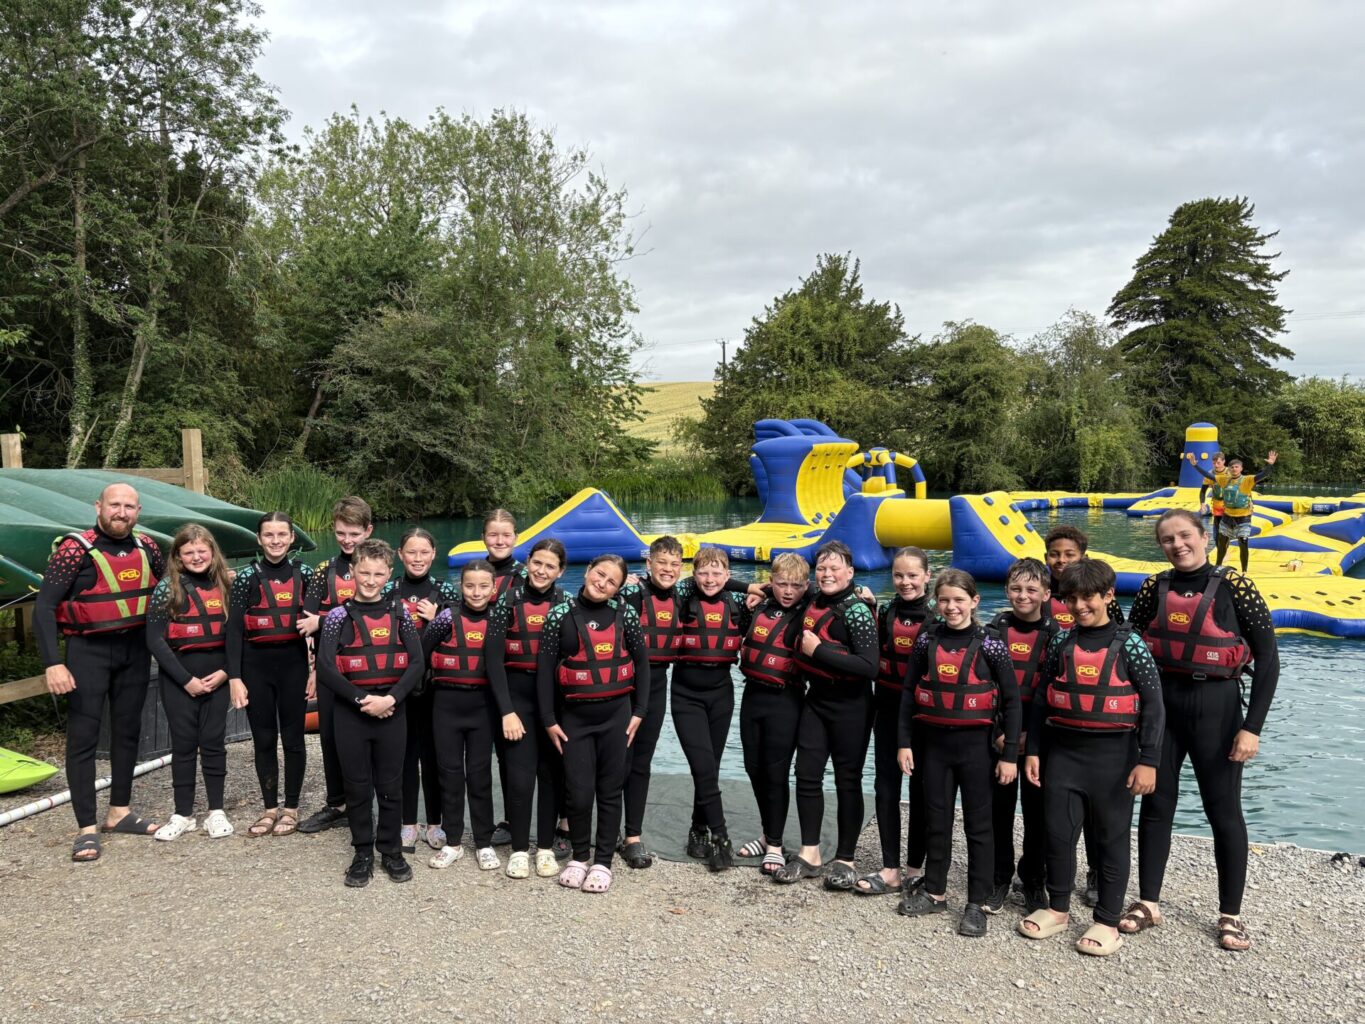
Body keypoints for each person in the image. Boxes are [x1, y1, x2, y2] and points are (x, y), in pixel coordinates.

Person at [1123, 509, 1279, 951]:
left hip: (1218, 709)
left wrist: (1252, 728)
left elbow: (1268, 659)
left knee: (1223, 811)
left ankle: (1230, 914)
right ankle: (1148, 902)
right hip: (1163, 710)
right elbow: (1130, 647)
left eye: (1185, 535)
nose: (1178, 545)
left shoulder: (1236, 586)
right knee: (1156, 805)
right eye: (1168, 539)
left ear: (1204, 536)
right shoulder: (1154, 587)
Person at [1019, 559, 1164, 956]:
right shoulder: (1062, 642)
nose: (1079, 606)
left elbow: (1154, 705)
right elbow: (1041, 699)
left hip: (1114, 758)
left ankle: (1107, 920)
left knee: (1110, 838)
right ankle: (1058, 908)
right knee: (1058, 833)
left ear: (1108, 595)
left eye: (1088, 598)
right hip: (1063, 754)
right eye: (1071, 599)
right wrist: (1034, 750)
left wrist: (1149, 760)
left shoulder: (1130, 644)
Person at [36, 482, 166, 861]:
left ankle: (119, 812)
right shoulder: (74, 549)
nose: (121, 512)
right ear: (98, 507)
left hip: (134, 651)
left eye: (128, 506)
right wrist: (53, 663)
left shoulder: (149, 547)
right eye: (114, 505)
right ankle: (87, 829)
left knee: (127, 732)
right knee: (83, 738)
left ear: (138, 511)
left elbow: (169, 592)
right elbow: (44, 608)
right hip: (87, 653)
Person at [896, 569, 1020, 937]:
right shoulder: (927, 640)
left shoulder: (991, 644)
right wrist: (904, 742)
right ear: (936, 602)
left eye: (959, 600)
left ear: (974, 601)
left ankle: (976, 903)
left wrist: (1010, 755)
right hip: (934, 747)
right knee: (936, 821)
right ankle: (935, 892)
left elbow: (1012, 702)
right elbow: (908, 692)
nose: (951, 607)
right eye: (945, 600)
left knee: (979, 827)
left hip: (977, 749)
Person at [537, 554, 651, 893]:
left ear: (618, 588)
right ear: (588, 571)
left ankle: (603, 862)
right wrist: (548, 719)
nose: (602, 583)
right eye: (599, 574)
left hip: (617, 717)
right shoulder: (559, 614)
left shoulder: (625, 614)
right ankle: (580, 856)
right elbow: (544, 672)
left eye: (612, 581)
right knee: (579, 791)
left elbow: (642, 665)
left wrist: (640, 711)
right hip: (574, 719)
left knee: (610, 790)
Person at [315, 539, 425, 886]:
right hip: (352, 713)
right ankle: (362, 851)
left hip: (393, 712)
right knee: (357, 786)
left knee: (391, 786)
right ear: (353, 572)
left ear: (389, 574)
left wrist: (390, 699)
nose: (371, 580)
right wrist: (363, 699)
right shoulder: (337, 617)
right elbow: (326, 668)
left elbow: (417, 663)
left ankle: (390, 850)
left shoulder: (400, 613)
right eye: (364, 573)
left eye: (378, 574)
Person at [774, 541, 879, 889]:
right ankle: (810, 854)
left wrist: (818, 651)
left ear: (850, 572)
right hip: (816, 701)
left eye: (835, 568)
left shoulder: (857, 610)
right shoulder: (813, 600)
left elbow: (869, 666)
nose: (827, 574)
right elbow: (782, 588)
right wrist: (750, 589)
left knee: (847, 780)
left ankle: (846, 859)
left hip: (852, 707)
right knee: (806, 774)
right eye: (821, 568)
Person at [1042, 523, 1122, 905]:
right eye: (1055, 555)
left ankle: (1096, 872)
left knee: (1095, 810)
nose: (1061, 561)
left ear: (1082, 557)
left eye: (1068, 555)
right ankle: (1050, 874)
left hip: (1094, 712)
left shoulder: (1103, 605)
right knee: (1056, 808)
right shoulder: (1041, 595)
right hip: (1054, 708)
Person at [485, 539, 569, 878]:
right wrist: (506, 710)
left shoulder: (566, 604)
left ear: (560, 571)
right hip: (516, 702)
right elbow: (493, 661)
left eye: (550, 566)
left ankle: (545, 847)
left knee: (550, 776)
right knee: (519, 779)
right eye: (537, 563)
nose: (541, 571)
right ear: (527, 562)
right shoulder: (506, 602)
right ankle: (519, 849)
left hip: (554, 705)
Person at [146, 524, 234, 841]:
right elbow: (154, 640)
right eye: (189, 552)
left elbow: (240, 636)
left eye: (202, 551)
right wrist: (186, 680)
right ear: (178, 557)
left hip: (218, 677)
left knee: (213, 742)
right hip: (179, 679)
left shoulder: (227, 584)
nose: (196, 557)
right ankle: (183, 814)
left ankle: (216, 812)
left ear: (212, 552)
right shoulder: (167, 589)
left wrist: (226, 672)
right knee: (183, 745)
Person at [227, 512, 313, 838]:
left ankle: (291, 808)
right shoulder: (246, 579)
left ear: (292, 538)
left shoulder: (306, 575)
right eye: (269, 535)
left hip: (294, 666)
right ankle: (269, 809)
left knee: (293, 740)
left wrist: (316, 671)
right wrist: (234, 677)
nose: (275, 541)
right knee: (264, 740)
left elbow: (319, 626)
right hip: (256, 668)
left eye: (281, 535)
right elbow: (234, 631)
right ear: (259, 539)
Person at [983, 556, 1060, 914]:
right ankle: (999, 876)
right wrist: (1000, 734)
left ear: (1046, 593)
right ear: (1006, 591)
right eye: (1016, 588)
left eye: (1031, 589)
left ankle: (1033, 880)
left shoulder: (1058, 636)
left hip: (1039, 740)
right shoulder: (993, 631)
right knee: (998, 811)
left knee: (1038, 815)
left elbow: (1055, 693)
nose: (1023, 595)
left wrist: (1034, 740)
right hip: (999, 736)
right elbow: (982, 684)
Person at [855, 547, 933, 896]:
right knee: (886, 787)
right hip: (886, 710)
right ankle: (890, 868)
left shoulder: (938, 616)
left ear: (927, 576)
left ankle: (915, 868)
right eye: (898, 575)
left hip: (924, 717)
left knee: (921, 791)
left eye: (912, 575)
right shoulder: (886, 611)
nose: (905, 582)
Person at [671, 546, 753, 871]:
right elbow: (672, 585)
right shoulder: (683, 598)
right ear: (694, 575)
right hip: (685, 695)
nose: (709, 579)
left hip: (721, 695)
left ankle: (698, 827)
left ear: (728, 575)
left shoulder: (738, 604)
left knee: (711, 766)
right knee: (702, 765)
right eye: (703, 572)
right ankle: (721, 837)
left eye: (717, 573)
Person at [297, 496, 374, 835]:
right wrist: (314, 669)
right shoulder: (323, 571)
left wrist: (325, 619)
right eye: (341, 533)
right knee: (329, 735)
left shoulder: (377, 568)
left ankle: (368, 803)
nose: (347, 540)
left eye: (354, 533)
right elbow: (307, 623)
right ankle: (337, 803)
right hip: (330, 668)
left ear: (368, 531)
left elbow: (378, 615)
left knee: (367, 737)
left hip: (369, 669)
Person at [423, 559, 501, 871]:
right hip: (446, 705)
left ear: (493, 588)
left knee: (480, 776)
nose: (476, 592)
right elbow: (421, 652)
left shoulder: (499, 618)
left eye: (483, 586)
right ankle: (453, 841)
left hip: (483, 707)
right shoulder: (446, 617)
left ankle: (483, 842)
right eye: (470, 586)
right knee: (450, 774)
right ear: (461, 586)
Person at [384, 527, 458, 853]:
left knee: (433, 756)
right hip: (399, 686)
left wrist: (437, 617)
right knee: (404, 755)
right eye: (411, 552)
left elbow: (462, 636)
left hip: (435, 686)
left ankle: (436, 822)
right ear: (400, 555)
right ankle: (408, 823)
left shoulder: (446, 592)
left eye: (424, 552)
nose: (417, 558)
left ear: (433, 554)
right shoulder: (389, 590)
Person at [737, 553, 811, 877]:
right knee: (753, 768)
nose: (788, 591)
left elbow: (823, 591)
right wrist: (762, 590)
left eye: (795, 585)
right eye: (781, 584)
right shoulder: (760, 605)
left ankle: (776, 845)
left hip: (786, 699)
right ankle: (767, 833)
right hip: (753, 695)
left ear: (805, 586)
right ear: (771, 581)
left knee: (775, 772)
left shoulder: (807, 610)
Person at [477, 508, 527, 847]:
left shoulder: (525, 576)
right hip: (478, 676)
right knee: (488, 753)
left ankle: (517, 819)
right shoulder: (474, 571)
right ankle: (495, 821)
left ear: (515, 538)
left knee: (514, 755)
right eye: (493, 534)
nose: (499, 540)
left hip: (513, 676)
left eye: (505, 535)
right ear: (484, 537)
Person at [1187, 450, 1277, 573]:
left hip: (1243, 517)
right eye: (1232, 467)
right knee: (1221, 542)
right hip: (1227, 515)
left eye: (1236, 467)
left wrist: (1270, 464)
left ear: (1241, 468)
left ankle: (1244, 571)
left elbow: (1264, 474)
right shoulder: (1224, 479)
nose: (1234, 469)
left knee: (1243, 542)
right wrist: (1194, 465)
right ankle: (1218, 567)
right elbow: (1208, 476)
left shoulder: (1248, 479)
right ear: (1229, 469)